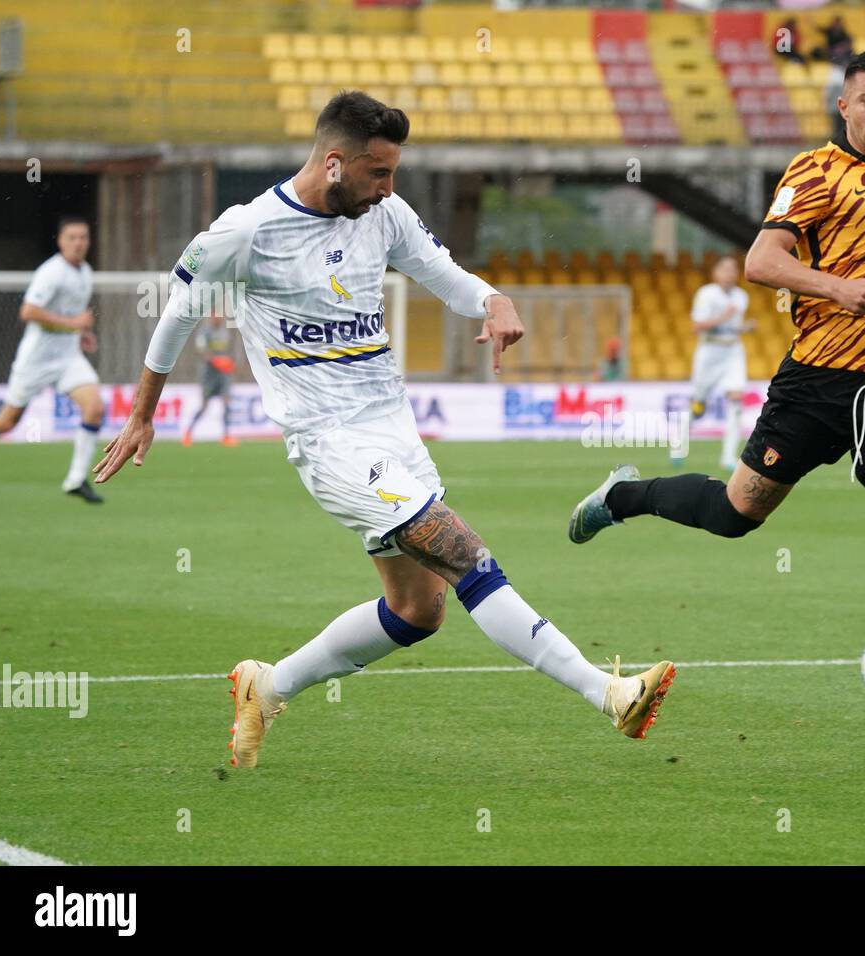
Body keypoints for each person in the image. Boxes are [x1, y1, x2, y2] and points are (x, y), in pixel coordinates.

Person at [93, 92, 675, 768]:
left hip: (393, 431)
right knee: (464, 554)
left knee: (418, 609)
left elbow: (445, 277)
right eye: (378, 173)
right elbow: (178, 314)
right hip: (330, 442)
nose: (389, 188)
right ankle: (608, 693)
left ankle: (268, 686)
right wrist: (142, 413)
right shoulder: (246, 232)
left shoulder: (386, 215)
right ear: (334, 163)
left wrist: (492, 298)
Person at [568, 50, 865, 712]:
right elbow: (762, 261)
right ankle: (623, 496)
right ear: (844, 106)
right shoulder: (816, 171)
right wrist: (835, 288)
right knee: (736, 514)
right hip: (816, 385)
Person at [0, 216, 105, 503]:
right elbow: (28, 312)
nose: (79, 243)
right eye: (72, 237)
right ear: (61, 241)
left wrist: (82, 333)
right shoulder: (51, 272)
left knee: (95, 408)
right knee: (7, 422)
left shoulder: (86, 272)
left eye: (83, 237)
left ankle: (76, 480)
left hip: (67, 358)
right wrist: (73, 323)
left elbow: (73, 315)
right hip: (36, 360)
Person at [674, 256, 752, 471]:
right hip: (709, 351)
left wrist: (744, 328)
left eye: (733, 269)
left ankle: (728, 457)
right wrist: (723, 316)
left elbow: (732, 326)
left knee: (736, 399)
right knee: (699, 404)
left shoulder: (741, 296)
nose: (729, 273)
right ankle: (679, 444)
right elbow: (697, 326)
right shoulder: (706, 294)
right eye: (725, 269)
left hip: (733, 350)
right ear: (716, 273)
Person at [183, 311, 239, 446]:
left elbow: (230, 350)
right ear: (211, 317)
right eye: (215, 316)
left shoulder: (225, 332)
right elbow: (202, 351)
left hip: (224, 374)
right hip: (209, 374)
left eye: (220, 316)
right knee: (204, 406)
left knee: (226, 403)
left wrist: (230, 362)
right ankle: (188, 432)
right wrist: (216, 361)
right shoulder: (204, 332)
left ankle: (226, 435)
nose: (218, 318)